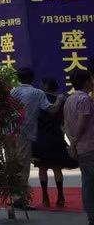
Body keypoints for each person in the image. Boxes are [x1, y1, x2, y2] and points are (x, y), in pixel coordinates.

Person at [8, 67, 53, 191]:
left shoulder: (13, 92)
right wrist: (59, 100)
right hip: (25, 133)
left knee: (14, 164)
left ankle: (15, 192)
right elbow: (51, 110)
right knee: (23, 165)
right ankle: (20, 194)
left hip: (10, 133)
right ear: (32, 78)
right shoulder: (38, 93)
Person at [36, 77, 77, 207]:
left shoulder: (40, 99)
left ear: (46, 85)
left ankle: (45, 197)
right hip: (56, 137)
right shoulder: (62, 100)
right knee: (57, 168)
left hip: (41, 138)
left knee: (42, 167)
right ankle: (60, 197)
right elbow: (64, 121)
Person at [63, 68, 94, 225]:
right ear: (87, 82)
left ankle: (92, 217)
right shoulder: (84, 99)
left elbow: (66, 125)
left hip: (81, 149)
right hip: (90, 146)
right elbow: (83, 122)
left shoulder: (69, 100)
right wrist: (74, 142)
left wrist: (73, 143)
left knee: (88, 184)